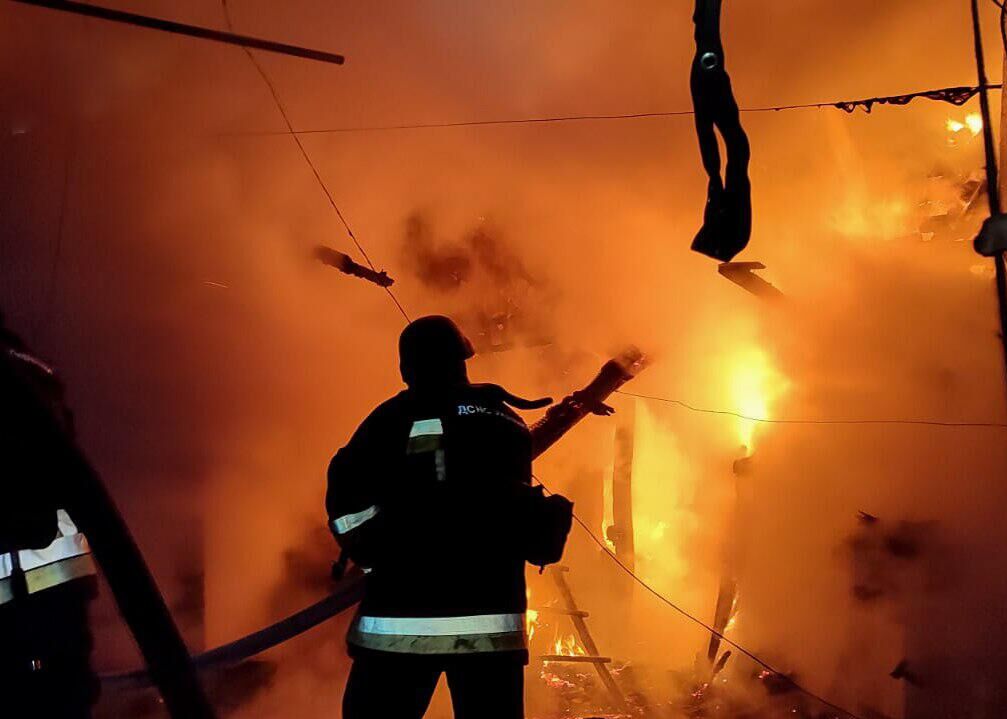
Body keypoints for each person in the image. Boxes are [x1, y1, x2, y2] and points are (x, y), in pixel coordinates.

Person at [327, 315, 570, 719]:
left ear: (408, 367)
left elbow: (346, 497)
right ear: (462, 360)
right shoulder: (507, 421)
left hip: (402, 623)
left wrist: (371, 553)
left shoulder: (392, 418)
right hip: (491, 631)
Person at [0, 322, 99, 718]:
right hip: (57, 617)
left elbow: (32, 521)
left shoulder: (21, 378)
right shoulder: (32, 372)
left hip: (37, 624)